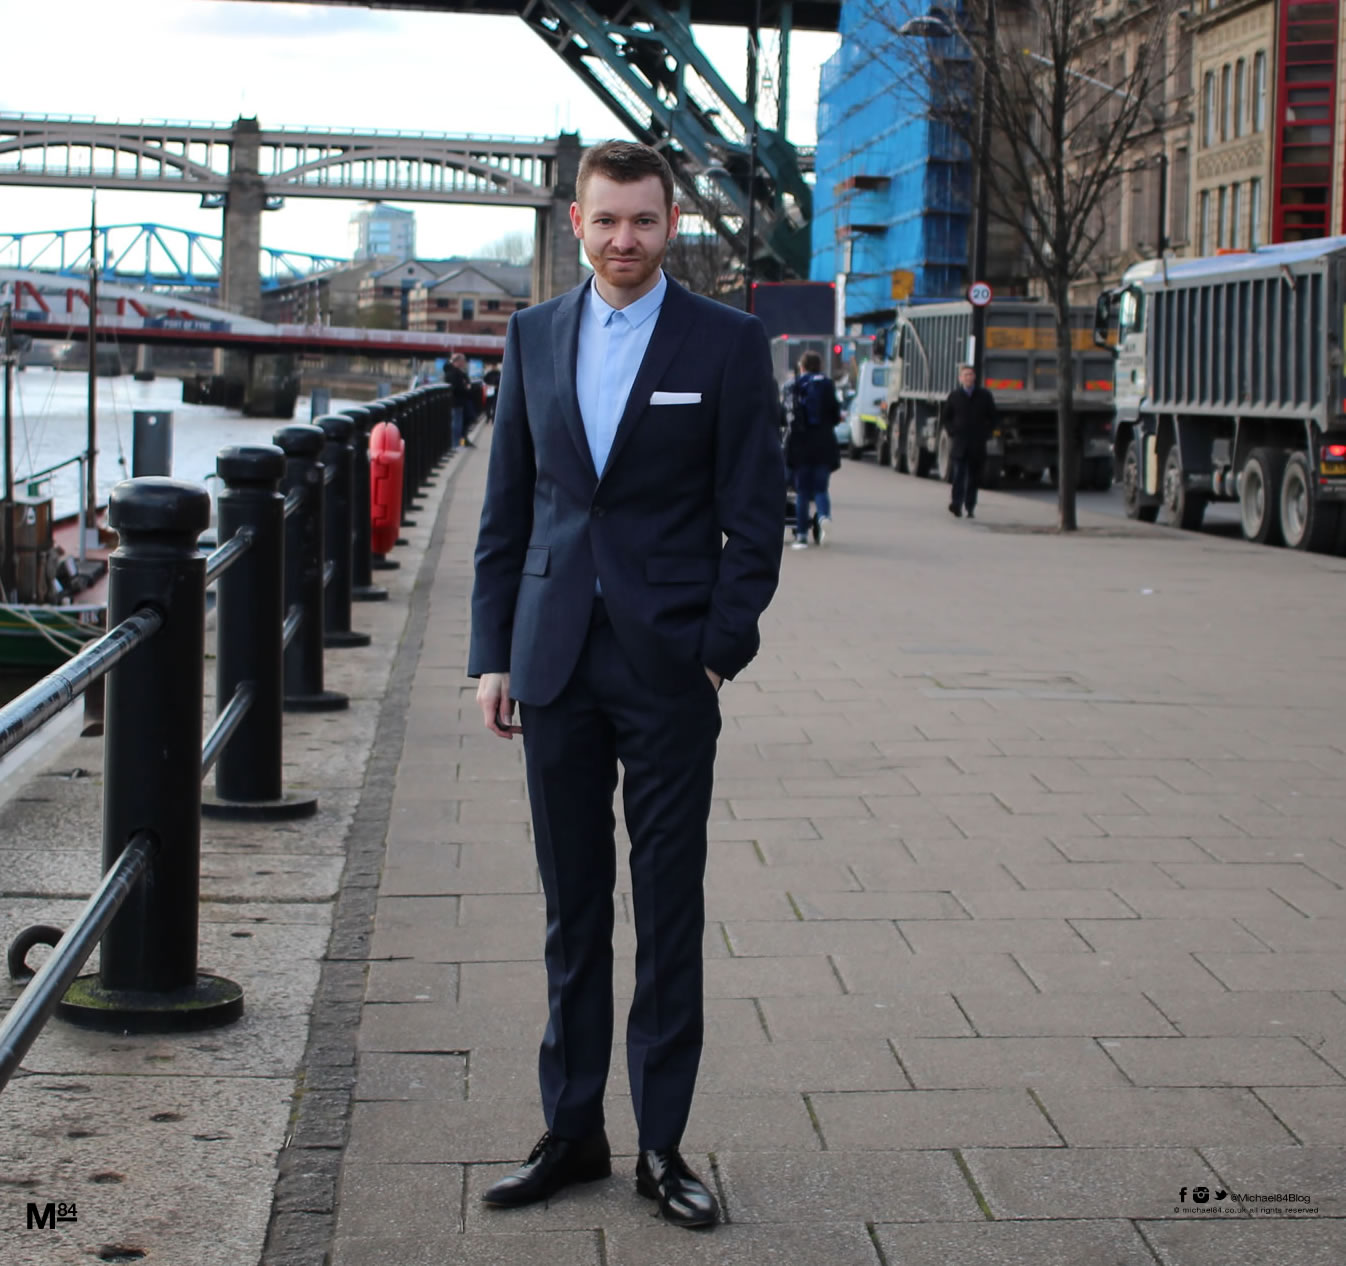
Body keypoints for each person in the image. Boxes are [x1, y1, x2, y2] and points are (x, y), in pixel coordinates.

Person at [469, 140, 783, 1230]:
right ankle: (571, 1132)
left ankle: (660, 1145)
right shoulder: (532, 335)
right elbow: (508, 511)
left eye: (643, 222)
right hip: (552, 660)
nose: (624, 241)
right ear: (575, 223)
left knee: (667, 909)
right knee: (570, 911)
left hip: (665, 669)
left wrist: (717, 645)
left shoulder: (728, 343)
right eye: (606, 222)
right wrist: (491, 653)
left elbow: (757, 515)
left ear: (671, 224)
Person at [786, 351, 840, 549]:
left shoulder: (795, 385)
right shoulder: (827, 384)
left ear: (802, 366)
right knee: (820, 488)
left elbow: (788, 414)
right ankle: (824, 517)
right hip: (824, 443)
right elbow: (835, 415)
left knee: (802, 491)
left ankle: (801, 535)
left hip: (800, 444)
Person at [942, 363, 996, 519]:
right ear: (960, 378)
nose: (968, 377)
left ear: (975, 377)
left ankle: (970, 506)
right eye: (965, 375)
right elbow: (946, 418)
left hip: (977, 444)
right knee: (958, 475)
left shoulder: (984, 396)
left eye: (971, 374)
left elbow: (993, 417)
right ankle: (956, 504)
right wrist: (952, 431)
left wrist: (986, 433)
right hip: (959, 443)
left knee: (973, 477)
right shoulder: (955, 396)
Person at [444, 352, 473, 447]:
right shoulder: (454, 373)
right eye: (463, 361)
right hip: (456, 402)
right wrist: (465, 387)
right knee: (457, 424)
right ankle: (456, 444)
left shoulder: (458, 372)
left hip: (459, 402)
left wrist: (466, 384)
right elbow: (458, 387)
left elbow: (467, 381)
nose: (464, 363)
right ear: (458, 361)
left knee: (461, 423)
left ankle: (461, 442)